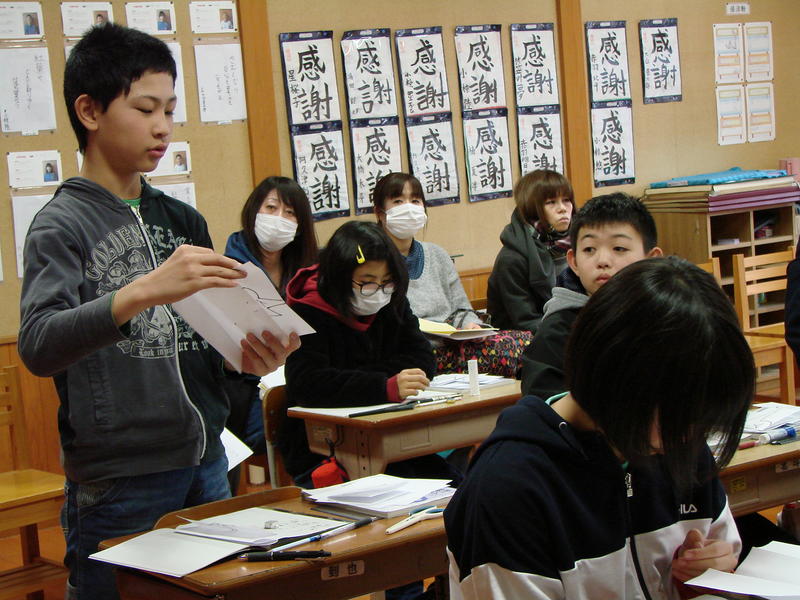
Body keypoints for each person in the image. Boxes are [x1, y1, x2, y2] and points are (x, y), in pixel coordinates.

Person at [18, 24, 298, 600]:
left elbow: (210, 347)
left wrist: (249, 358)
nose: (163, 126)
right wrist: (143, 291)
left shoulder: (181, 220)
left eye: (169, 110)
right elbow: (39, 344)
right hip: (121, 477)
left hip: (207, 458)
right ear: (90, 112)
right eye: (145, 109)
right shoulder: (61, 224)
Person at [445, 257, 755, 599]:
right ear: (614, 378)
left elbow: (720, 552)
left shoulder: (677, 440)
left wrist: (705, 575)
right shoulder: (510, 490)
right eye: (679, 415)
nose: (690, 436)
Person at [279, 221, 458, 488]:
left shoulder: (390, 298)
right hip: (325, 449)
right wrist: (384, 386)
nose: (378, 293)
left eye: (386, 281)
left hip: (392, 436)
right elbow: (307, 383)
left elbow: (422, 358)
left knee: (456, 488)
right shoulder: (309, 309)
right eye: (366, 282)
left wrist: (360, 380)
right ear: (339, 277)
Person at [372, 172, 531, 377]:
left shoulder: (437, 254)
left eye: (415, 200)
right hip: (414, 351)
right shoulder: (374, 262)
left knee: (528, 341)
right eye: (398, 201)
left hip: (454, 344)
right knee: (511, 351)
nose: (409, 208)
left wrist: (471, 326)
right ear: (380, 213)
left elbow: (461, 309)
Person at [223, 176, 318, 489]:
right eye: (271, 208)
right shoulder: (228, 267)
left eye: (290, 213)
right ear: (254, 212)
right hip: (245, 384)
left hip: (298, 375)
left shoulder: (308, 269)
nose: (279, 219)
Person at [520, 193, 662, 399]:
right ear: (574, 262)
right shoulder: (558, 331)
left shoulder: (670, 317)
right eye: (589, 249)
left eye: (619, 248)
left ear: (652, 260)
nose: (602, 260)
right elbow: (541, 406)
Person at [487, 169, 574, 333]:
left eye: (566, 200)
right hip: (529, 339)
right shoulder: (512, 258)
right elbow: (525, 321)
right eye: (551, 202)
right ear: (532, 209)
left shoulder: (579, 245)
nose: (563, 209)